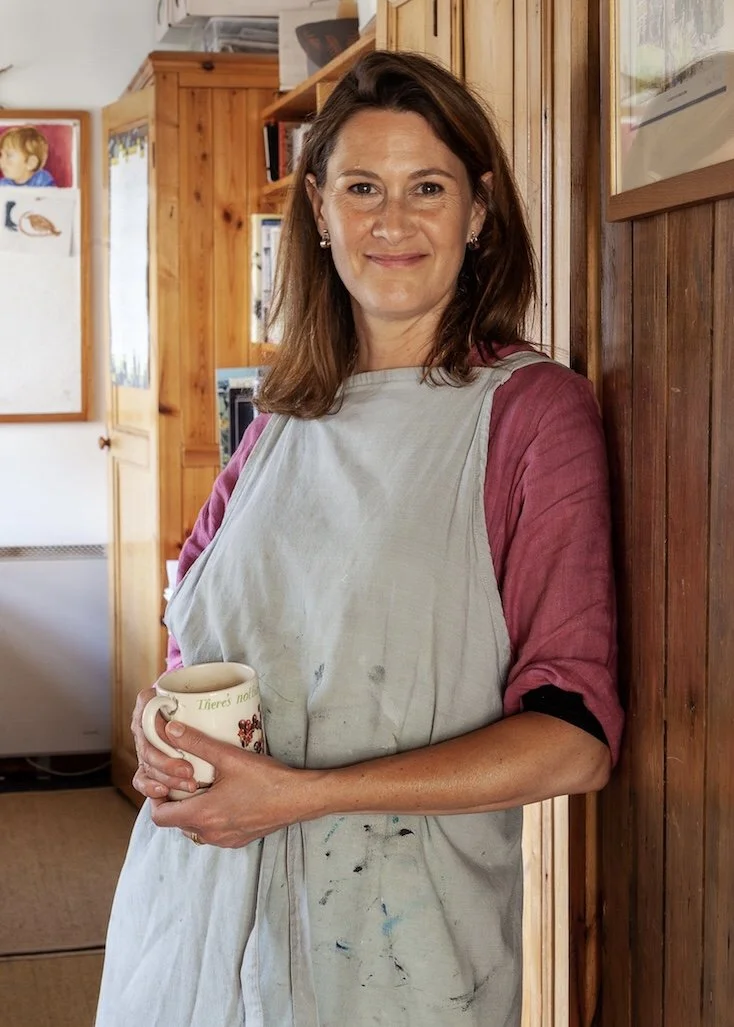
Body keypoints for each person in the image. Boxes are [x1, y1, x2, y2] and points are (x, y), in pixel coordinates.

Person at [96, 50, 623, 1027]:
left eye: (426, 186)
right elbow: (197, 646)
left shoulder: (528, 415)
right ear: (318, 209)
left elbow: (571, 741)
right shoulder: (282, 416)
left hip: (398, 951)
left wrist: (296, 795)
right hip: (200, 917)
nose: (391, 221)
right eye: (361, 187)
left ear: (477, 211)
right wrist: (157, 729)